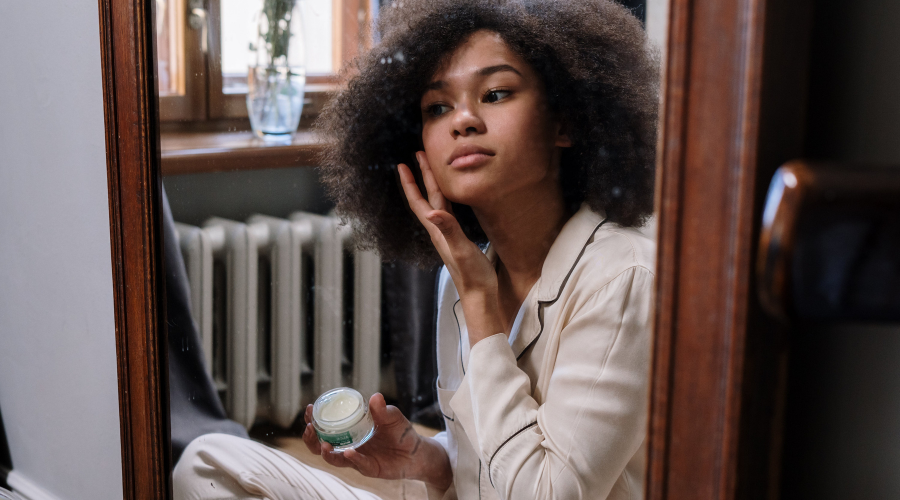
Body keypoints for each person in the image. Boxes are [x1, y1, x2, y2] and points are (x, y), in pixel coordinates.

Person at [172, 0, 658, 498]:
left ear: (567, 123)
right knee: (207, 461)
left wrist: (479, 305)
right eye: (438, 107)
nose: (463, 120)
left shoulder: (624, 278)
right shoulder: (461, 273)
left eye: (495, 93)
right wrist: (426, 459)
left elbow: (542, 491)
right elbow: (487, 454)